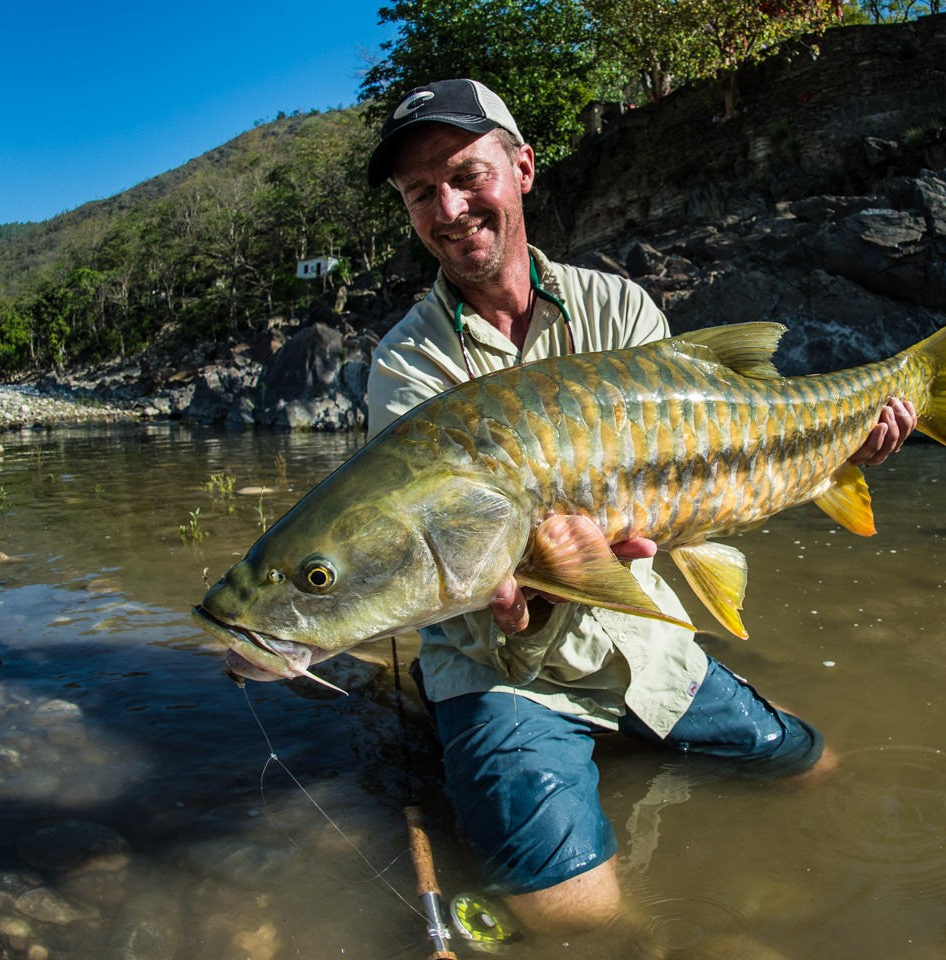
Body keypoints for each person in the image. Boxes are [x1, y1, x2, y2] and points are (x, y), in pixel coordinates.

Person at [363, 79, 917, 936]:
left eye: (468, 174)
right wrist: (528, 598)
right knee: (574, 919)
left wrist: (840, 446)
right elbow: (447, 560)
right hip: (506, 671)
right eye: (419, 193)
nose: (448, 207)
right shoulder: (405, 366)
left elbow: (707, 468)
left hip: (643, 638)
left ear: (522, 168)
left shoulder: (617, 306)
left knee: (813, 765)